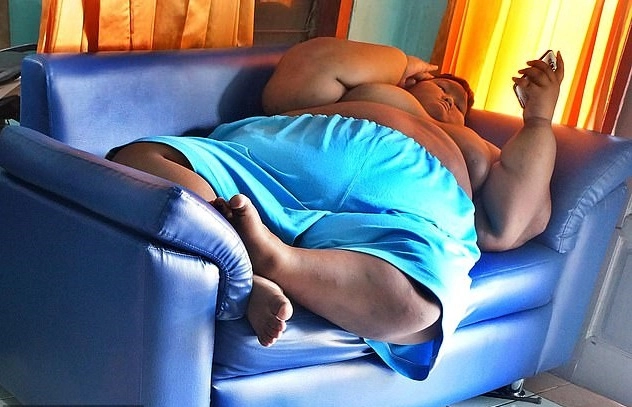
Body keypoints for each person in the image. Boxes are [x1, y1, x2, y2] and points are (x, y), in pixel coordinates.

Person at [109, 37, 564, 379]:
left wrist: (539, 121)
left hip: (406, 207)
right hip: (289, 157)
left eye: (461, 105)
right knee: (139, 160)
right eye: (442, 87)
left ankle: (271, 262)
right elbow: (308, 68)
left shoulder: (474, 148)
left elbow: (511, 224)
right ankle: (243, 262)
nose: (450, 101)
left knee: (418, 307)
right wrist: (404, 65)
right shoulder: (371, 92)